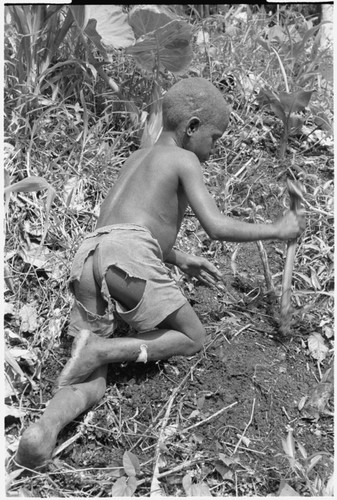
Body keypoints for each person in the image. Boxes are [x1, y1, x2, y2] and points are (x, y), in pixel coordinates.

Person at [15, 77, 305, 469]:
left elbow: (127, 227)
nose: (215, 150)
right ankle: (104, 349)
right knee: (192, 335)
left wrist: (179, 258)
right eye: (215, 139)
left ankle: (45, 427)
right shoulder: (184, 159)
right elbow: (216, 227)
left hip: (89, 255)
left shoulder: (138, 157)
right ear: (192, 127)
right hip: (127, 255)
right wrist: (279, 230)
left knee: (93, 382)